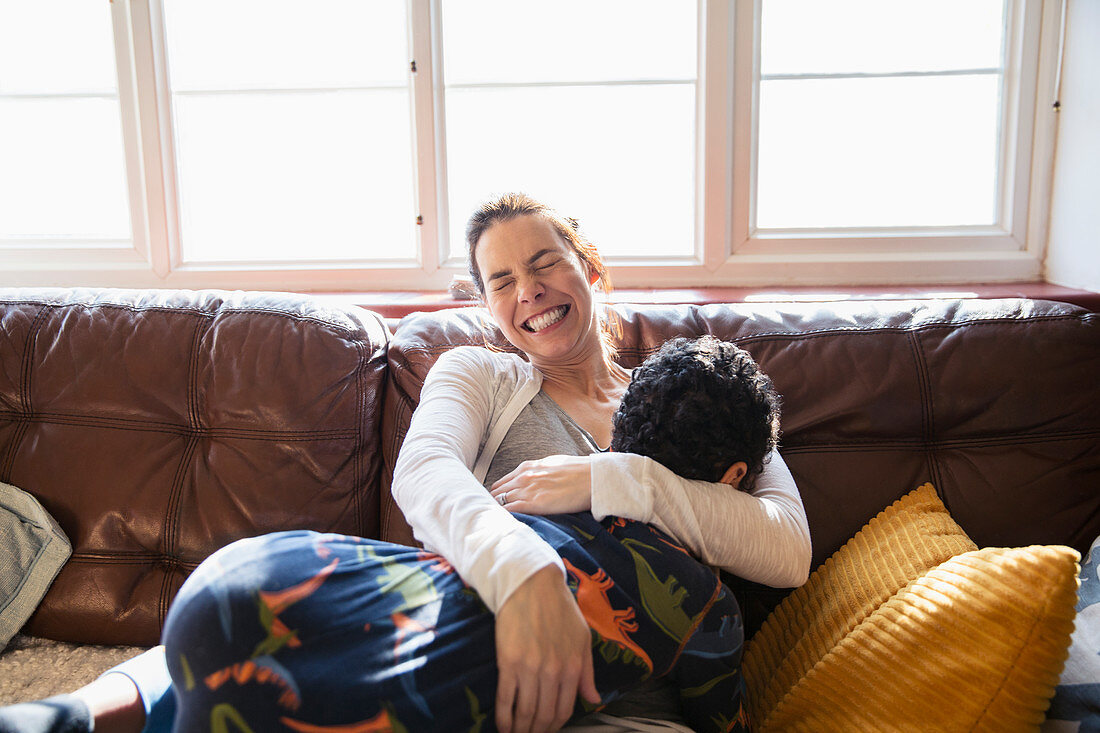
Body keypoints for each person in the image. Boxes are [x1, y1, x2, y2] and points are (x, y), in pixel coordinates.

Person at [0, 194, 810, 733]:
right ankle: (76, 713)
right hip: (486, 607)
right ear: (487, 303)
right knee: (295, 613)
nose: (528, 290)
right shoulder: (483, 375)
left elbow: (786, 547)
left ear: (589, 267)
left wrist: (607, 477)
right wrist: (524, 570)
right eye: (502, 280)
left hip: (623, 697)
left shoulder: (702, 396)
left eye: (545, 263)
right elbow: (425, 474)